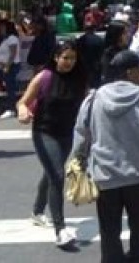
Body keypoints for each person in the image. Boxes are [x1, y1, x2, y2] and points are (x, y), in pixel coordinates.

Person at [72, 50, 139, 263]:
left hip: (105, 176)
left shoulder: (93, 98)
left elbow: (81, 133)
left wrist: (78, 158)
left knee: (109, 230)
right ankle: (137, 255)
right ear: (130, 72)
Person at [17, 39, 87, 249]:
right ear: (56, 58)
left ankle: (38, 211)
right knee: (57, 175)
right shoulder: (44, 77)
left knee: (51, 173)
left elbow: (85, 106)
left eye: (72, 58)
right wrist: (22, 110)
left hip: (68, 133)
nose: (69, 62)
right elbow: (22, 102)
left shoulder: (81, 79)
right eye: (65, 57)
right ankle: (61, 230)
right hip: (44, 132)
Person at [0, 19, 21, 119]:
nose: (1, 29)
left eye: (2, 27)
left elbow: (13, 53)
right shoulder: (5, 39)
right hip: (4, 65)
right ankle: (10, 107)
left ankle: (12, 109)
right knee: (8, 87)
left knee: (10, 88)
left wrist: (7, 66)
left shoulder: (12, 38)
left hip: (10, 66)